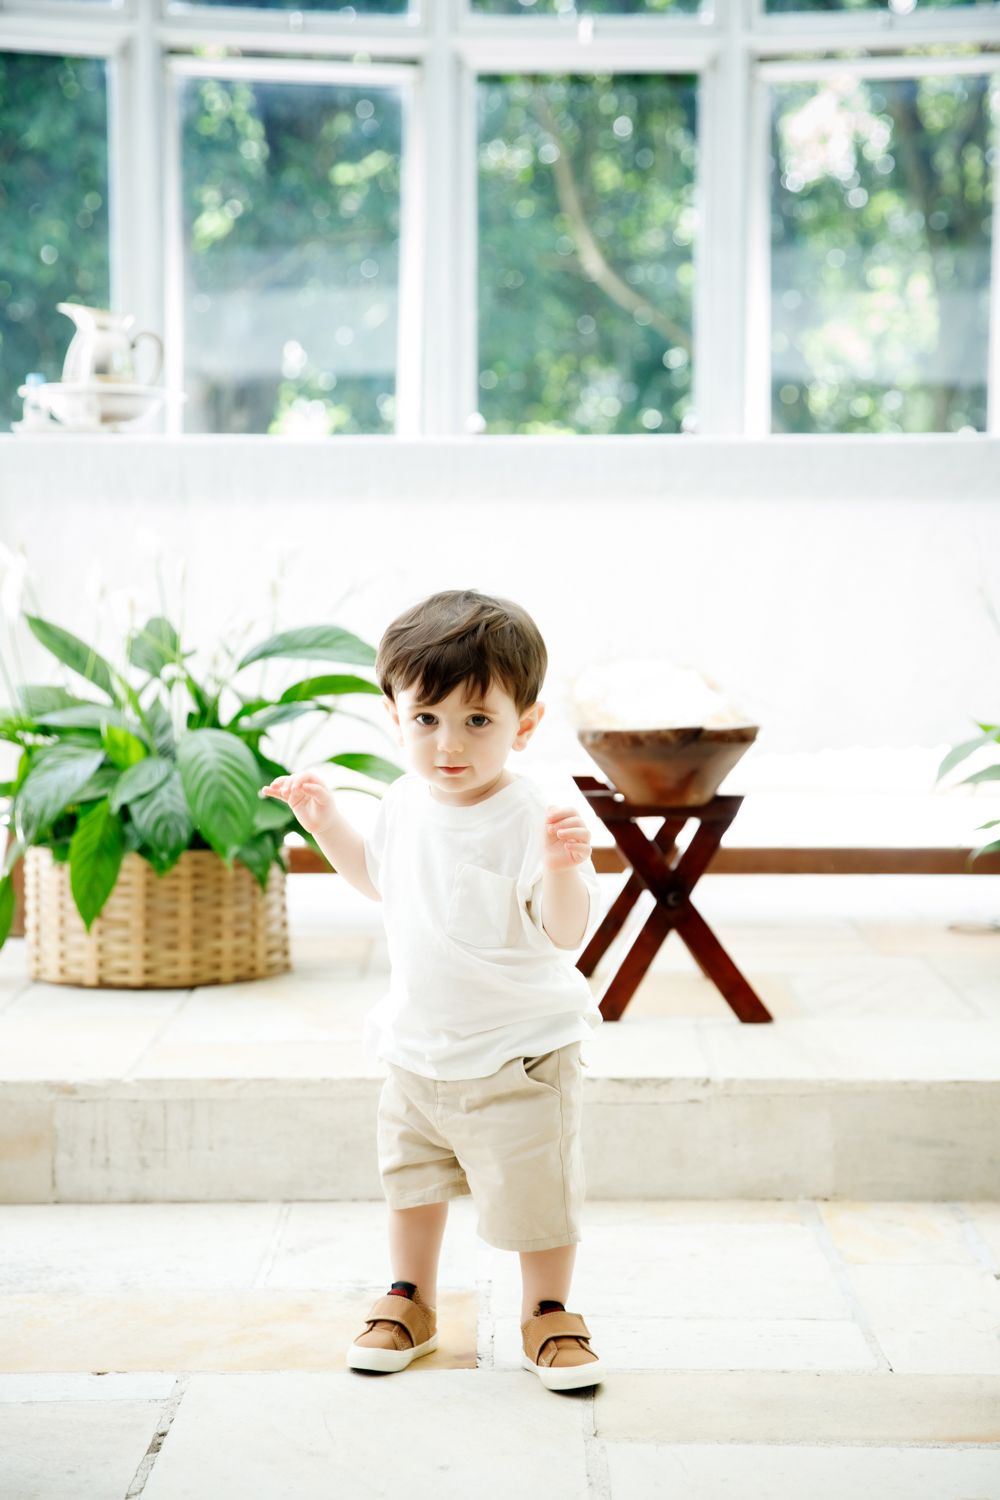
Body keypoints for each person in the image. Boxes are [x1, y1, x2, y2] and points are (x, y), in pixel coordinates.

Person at [261, 588, 606, 1391]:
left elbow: (566, 932)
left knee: (536, 1196)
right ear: (396, 716)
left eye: (477, 721)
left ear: (525, 724)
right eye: (427, 719)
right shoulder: (404, 801)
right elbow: (379, 881)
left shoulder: (537, 812)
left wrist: (561, 870)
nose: (449, 744)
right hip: (418, 1049)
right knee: (411, 1186)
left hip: (519, 1057)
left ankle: (547, 1310)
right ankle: (410, 1300)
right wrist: (326, 823)